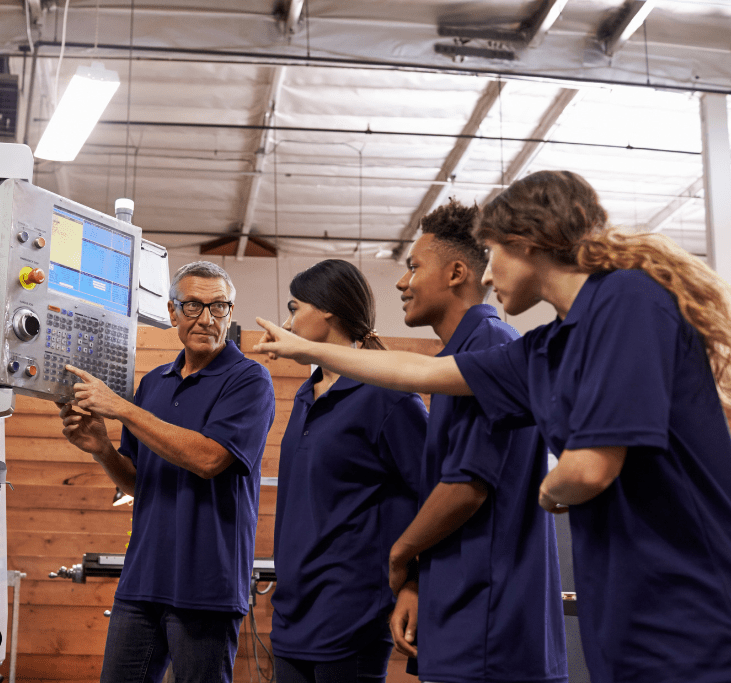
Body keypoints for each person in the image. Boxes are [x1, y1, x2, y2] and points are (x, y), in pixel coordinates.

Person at [255, 171, 731, 683]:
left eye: (493, 255)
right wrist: (307, 347)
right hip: (627, 618)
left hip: (704, 617)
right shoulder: (548, 347)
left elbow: (588, 469)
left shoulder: (627, 297)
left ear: (529, 242)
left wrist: (547, 489)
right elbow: (423, 370)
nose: (487, 274)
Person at [59, 261, 276, 683]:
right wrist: (102, 448)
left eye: (219, 307)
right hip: (142, 579)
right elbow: (137, 481)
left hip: (207, 584)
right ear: (173, 312)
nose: (207, 319)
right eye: (193, 306)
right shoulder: (154, 384)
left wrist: (121, 408)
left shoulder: (250, 380)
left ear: (230, 313)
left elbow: (210, 459)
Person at [388, 199, 566, 683]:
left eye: (413, 268)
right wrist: (418, 585)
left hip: (491, 627)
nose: (402, 283)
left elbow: (467, 488)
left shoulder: (491, 346)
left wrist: (400, 554)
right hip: (460, 614)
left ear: (456, 273)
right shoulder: (459, 357)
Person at [269, 259, 428, 683]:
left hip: (351, 615)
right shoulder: (306, 395)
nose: (288, 321)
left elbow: (432, 497)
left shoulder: (388, 397)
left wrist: (413, 583)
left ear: (328, 310)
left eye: (295, 306)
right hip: (290, 614)